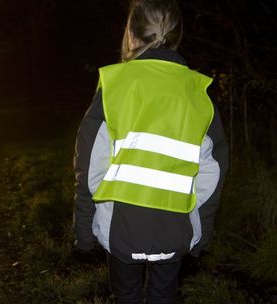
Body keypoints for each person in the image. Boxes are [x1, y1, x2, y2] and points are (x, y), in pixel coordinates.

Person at [73, 0, 229, 303]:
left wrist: (83, 228)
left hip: (120, 228)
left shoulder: (115, 87)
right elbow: (212, 171)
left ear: (131, 36)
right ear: (177, 36)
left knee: (126, 296)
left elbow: (91, 164)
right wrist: (202, 229)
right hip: (175, 228)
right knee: (163, 296)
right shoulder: (198, 93)